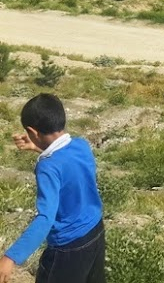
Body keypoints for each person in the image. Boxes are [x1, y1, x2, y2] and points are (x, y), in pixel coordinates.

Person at [0, 94, 105, 283]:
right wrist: (38, 147)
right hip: (95, 231)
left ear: (32, 132)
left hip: (68, 247)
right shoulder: (81, 145)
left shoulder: (47, 167)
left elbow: (45, 218)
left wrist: (11, 257)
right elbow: (68, 165)